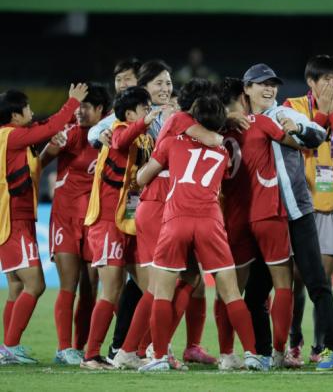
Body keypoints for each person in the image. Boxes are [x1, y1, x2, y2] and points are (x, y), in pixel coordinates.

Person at [135, 93, 262, 372]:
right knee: (231, 293)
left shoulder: (171, 143)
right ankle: (252, 354)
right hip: (210, 221)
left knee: (162, 294)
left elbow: (142, 178)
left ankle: (157, 357)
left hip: (175, 220)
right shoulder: (223, 152)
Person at [240, 63, 333, 370]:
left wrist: (298, 128)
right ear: (247, 89)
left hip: (297, 213)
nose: (269, 88)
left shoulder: (285, 115)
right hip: (263, 217)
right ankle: (264, 353)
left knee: (316, 282)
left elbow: (316, 136)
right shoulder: (241, 122)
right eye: (261, 83)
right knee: (256, 292)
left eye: (272, 83)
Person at [112, 79, 223, 370]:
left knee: (188, 279)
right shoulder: (181, 120)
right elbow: (214, 141)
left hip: (167, 206)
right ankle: (140, 350)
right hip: (159, 206)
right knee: (158, 287)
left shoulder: (182, 124)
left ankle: (143, 348)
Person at [0, 83, 89, 363]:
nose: (32, 111)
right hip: (13, 220)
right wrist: (72, 103)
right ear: (15, 115)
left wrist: (50, 150)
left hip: (17, 218)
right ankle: (10, 347)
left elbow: (31, 169)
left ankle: (7, 347)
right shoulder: (12, 136)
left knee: (16, 286)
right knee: (35, 284)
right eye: (27, 108)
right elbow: (49, 127)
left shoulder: (11, 142)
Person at [283, 55, 333, 363]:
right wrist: (323, 117)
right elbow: (302, 142)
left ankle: (320, 346)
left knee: (323, 280)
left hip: (330, 205)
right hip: (298, 203)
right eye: (326, 79)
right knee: (296, 276)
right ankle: (294, 339)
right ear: (311, 83)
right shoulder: (292, 107)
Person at [80, 87, 158, 370]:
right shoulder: (118, 130)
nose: (149, 113)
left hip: (131, 221)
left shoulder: (146, 138)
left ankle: (130, 351)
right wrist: (145, 122)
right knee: (110, 291)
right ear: (130, 113)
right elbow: (121, 140)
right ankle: (90, 356)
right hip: (107, 222)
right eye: (144, 108)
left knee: (153, 288)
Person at [39, 84, 112, 365]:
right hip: (65, 217)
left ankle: (81, 346)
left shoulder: (108, 136)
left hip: (94, 219)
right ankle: (63, 347)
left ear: (101, 111)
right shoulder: (69, 133)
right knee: (68, 282)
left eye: (87, 107)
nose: (80, 112)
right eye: (79, 106)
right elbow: (40, 162)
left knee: (91, 285)